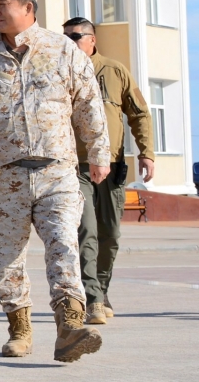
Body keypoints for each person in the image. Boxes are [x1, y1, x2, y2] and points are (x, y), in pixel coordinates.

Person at [0, 0, 109, 363]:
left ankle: (69, 325)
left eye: (4, 5)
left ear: (28, 8)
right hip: (4, 175)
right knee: (9, 255)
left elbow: (88, 104)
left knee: (64, 243)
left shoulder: (63, 51)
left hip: (58, 172)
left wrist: (99, 152)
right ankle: (20, 329)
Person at [62, 17, 155, 324]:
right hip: (76, 167)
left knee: (110, 233)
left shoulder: (114, 71)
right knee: (86, 230)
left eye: (75, 36)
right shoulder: (58, 73)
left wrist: (147, 154)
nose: (69, 42)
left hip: (112, 166)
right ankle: (92, 299)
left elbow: (139, 114)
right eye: (65, 37)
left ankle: (101, 289)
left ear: (92, 40)